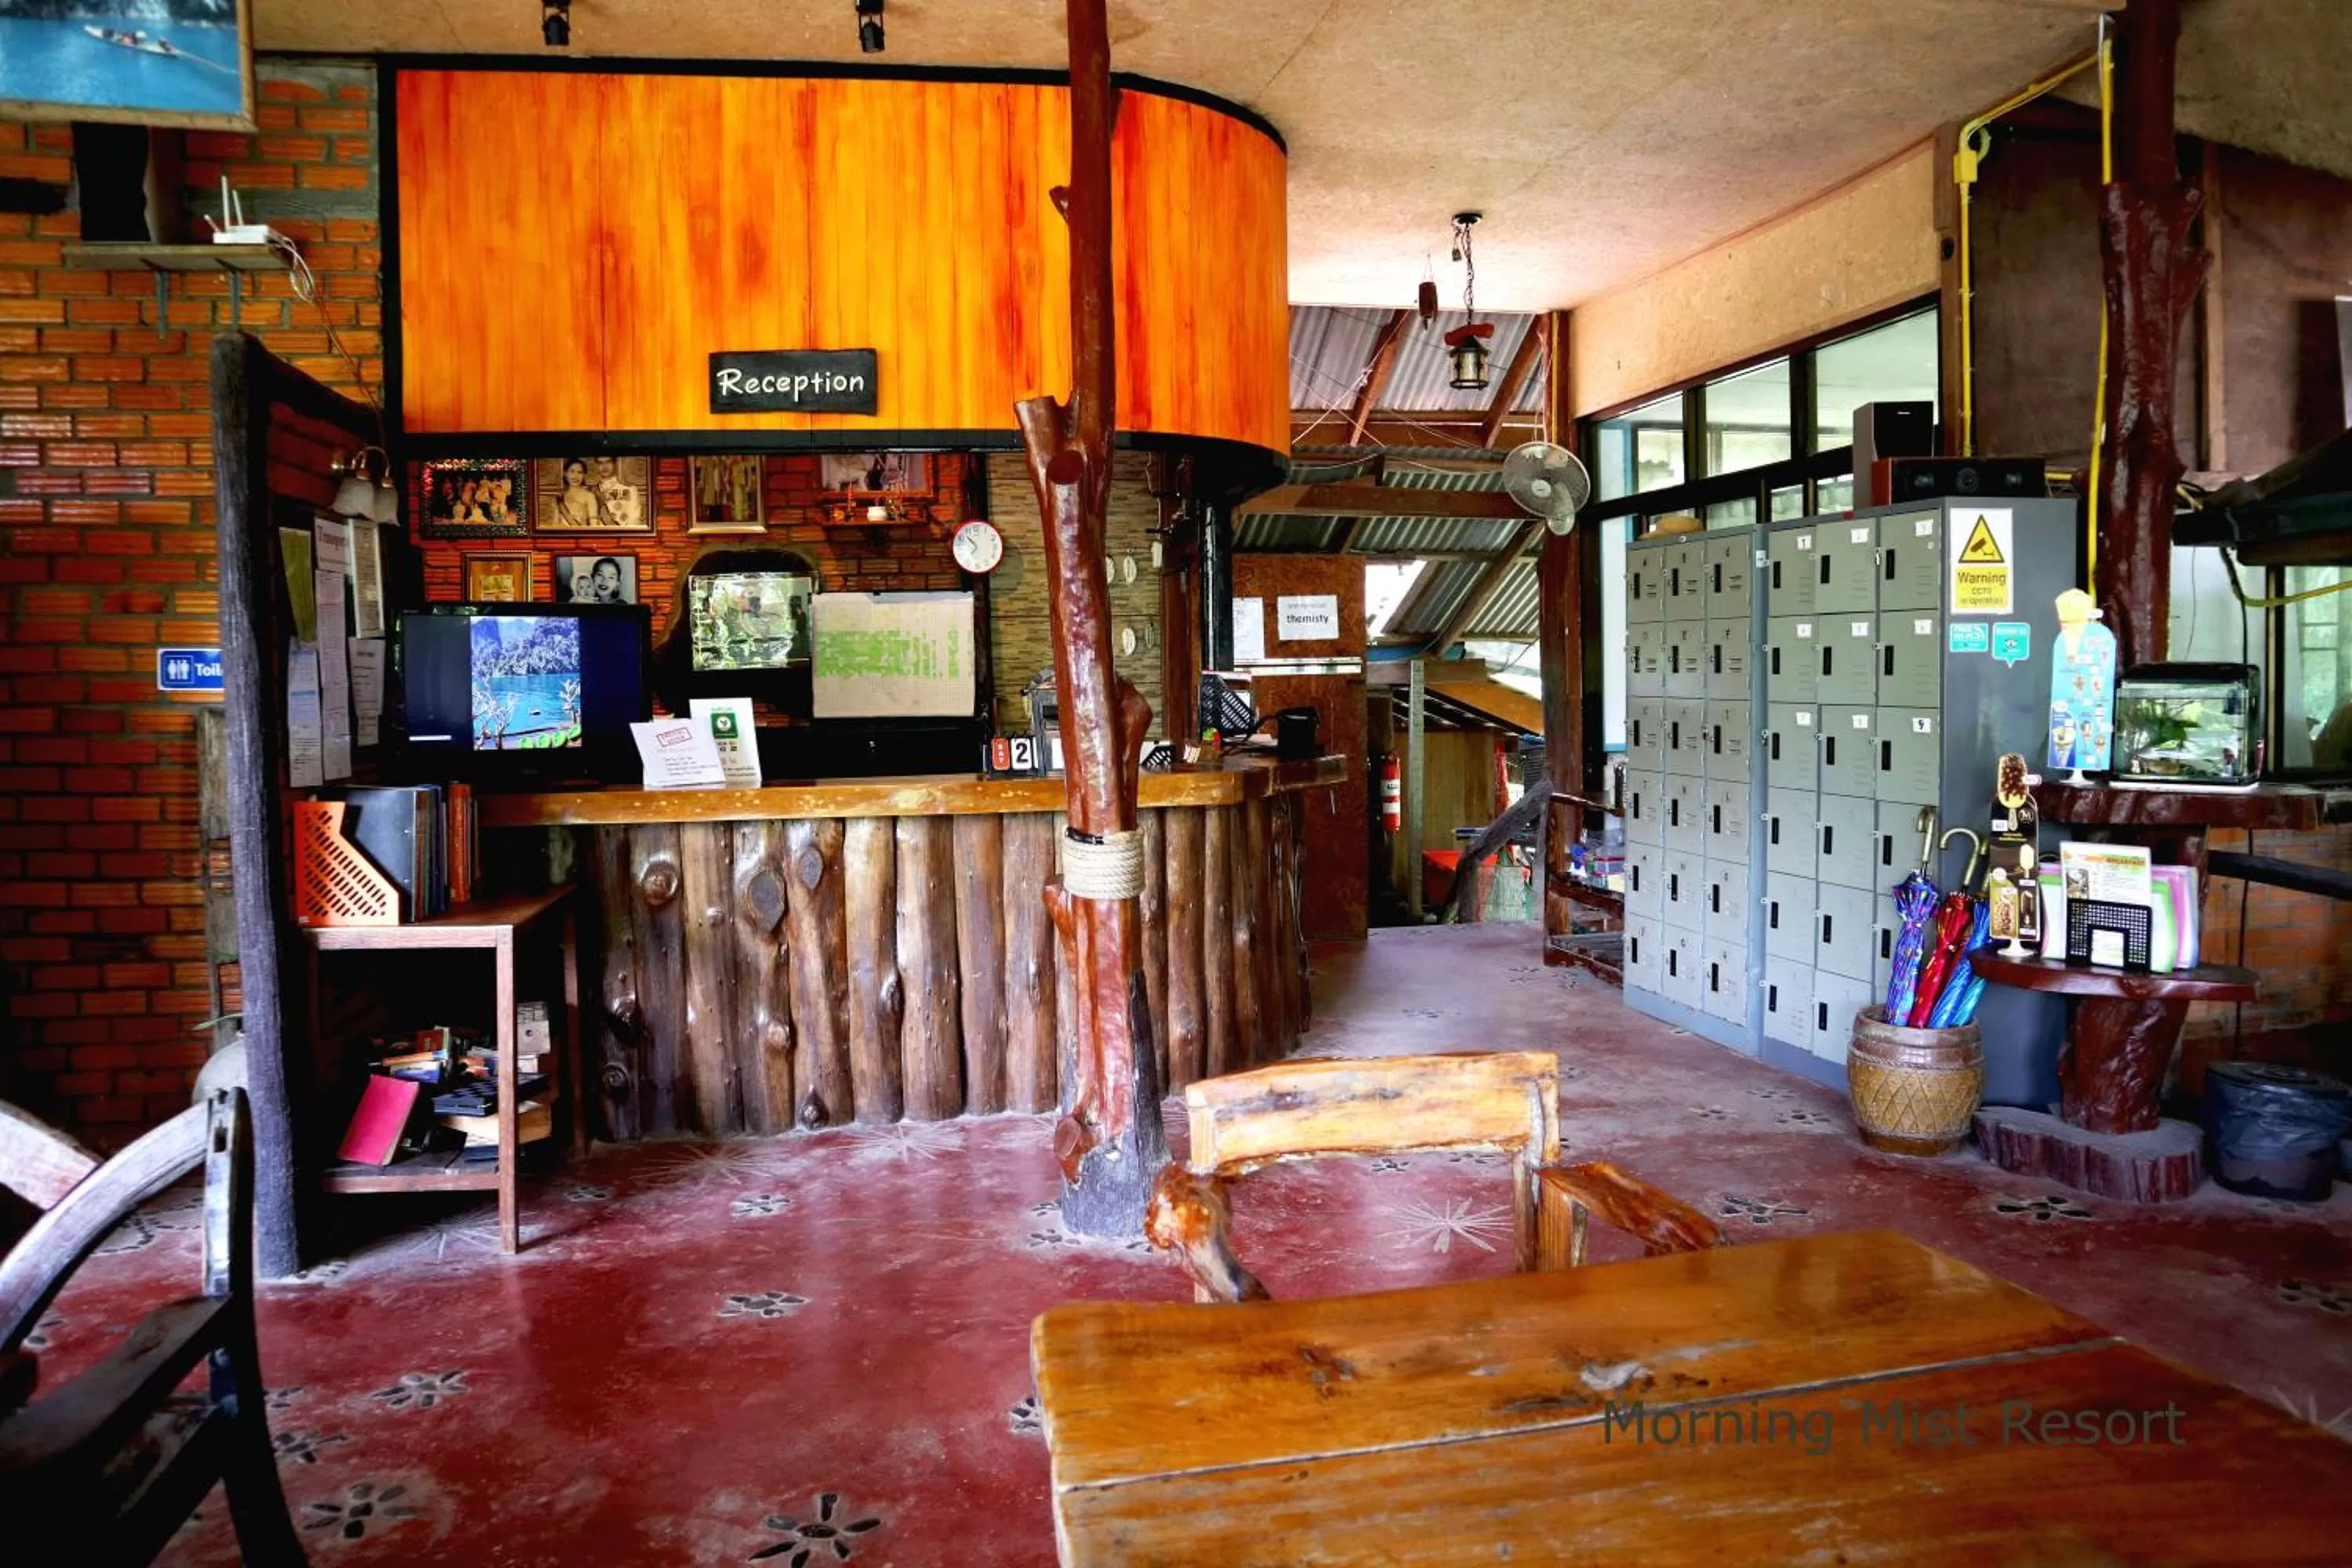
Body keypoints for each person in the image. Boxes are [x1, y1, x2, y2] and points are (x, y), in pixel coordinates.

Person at [556, 459, 601, 529]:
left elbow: (594, 525)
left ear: (584, 475)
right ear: (565, 473)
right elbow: (555, 523)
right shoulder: (560, 496)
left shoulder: (589, 496)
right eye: (572, 472)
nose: (575, 476)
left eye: (580, 472)